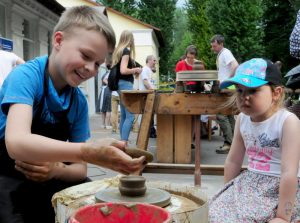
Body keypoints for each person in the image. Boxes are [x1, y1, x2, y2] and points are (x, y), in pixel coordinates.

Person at [0, 6, 145, 223]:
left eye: (97, 64)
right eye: (86, 56)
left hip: (49, 177)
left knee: (95, 204)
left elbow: (79, 170)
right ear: (58, 41)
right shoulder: (26, 76)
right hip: (7, 175)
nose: (91, 69)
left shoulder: (78, 101)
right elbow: (16, 142)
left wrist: (56, 170)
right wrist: (88, 151)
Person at [209, 58, 300, 223]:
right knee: (216, 211)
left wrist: (283, 216)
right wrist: (228, 193)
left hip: (282, 188)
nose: (245, 97)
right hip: (252, 183)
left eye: (252, 90)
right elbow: (233, 162)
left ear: (276, 93)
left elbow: (289, 173)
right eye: (239, 90)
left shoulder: (288, 122)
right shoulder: (242, 119)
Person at [112, 30, 142, 145]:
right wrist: (136, 70)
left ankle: (122, 140)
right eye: (132, 38)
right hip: (125, 84)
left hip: (120, 84)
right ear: (129, 39)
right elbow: (123, 70)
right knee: (130, 115)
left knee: (124, 115)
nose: (133, 40)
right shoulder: (126, 51)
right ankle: (124, 142)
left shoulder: (118, 51)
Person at [211, 34, 239, 154]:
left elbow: (236, 66)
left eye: (215, 46)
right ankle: (234, 143)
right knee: (228, 115)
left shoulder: (226, 52)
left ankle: (229, 143)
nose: (213, 48)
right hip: (227, 87)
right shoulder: (222, 54)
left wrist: (227, 80)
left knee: (221, 115)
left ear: (221, 44)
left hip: (227, 87)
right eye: (212, 46)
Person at [138, 55, 157, 138]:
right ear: (149, 60)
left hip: (148, 94)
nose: (155, 62)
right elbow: (145, 82)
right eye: (154, 60)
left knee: (150, 114)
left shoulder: (148, 70)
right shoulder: (145, 69)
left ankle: (151, 131)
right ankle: (149, 132)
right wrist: (152, 90)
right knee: (148, 114)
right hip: (146, 94)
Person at [99, 63, 112, 129]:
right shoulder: (110, 73)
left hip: (103, 90)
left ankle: (103, 124)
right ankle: (107, 124)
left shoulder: (106, 72)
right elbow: (104, 79)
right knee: (108, 108)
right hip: (108, 90)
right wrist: (111, 85)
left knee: (103, 108)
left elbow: (103, 79)